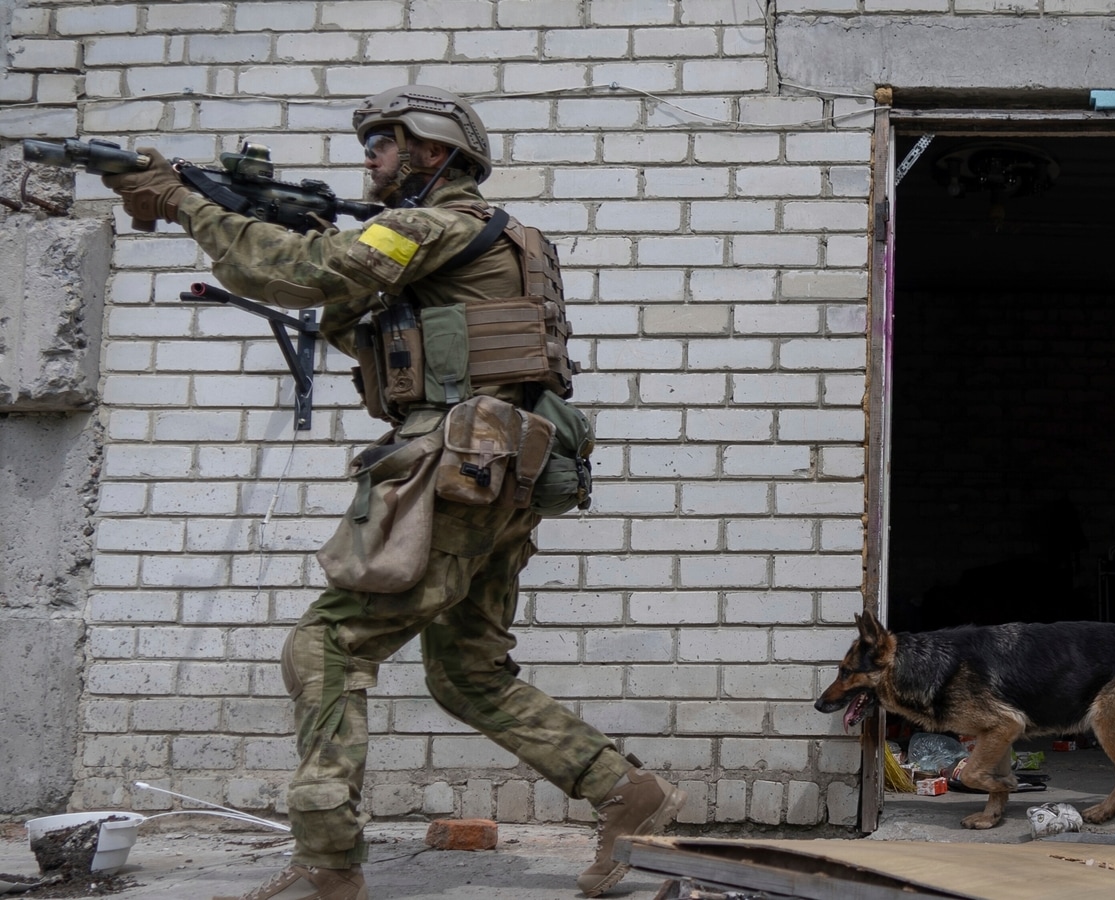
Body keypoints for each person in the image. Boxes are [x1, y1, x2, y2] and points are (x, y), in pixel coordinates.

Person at [102, 85, 684, 900]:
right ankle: (628, 792)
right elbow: (356, 315)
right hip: (500, 469)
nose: (368, 155)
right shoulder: (492, 240)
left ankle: (327, 863)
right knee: (469, 673)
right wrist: (265, 229)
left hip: (453, 469)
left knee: (329, 646)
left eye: (384, 141)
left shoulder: (432, 224)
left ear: (436, 153)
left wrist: (184, 204)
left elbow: (310, 273)